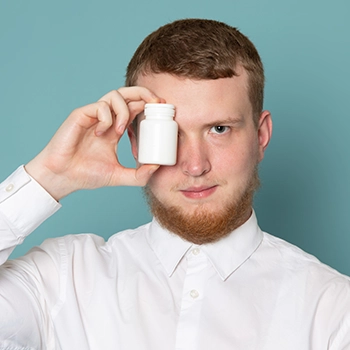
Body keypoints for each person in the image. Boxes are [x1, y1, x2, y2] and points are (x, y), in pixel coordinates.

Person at [0, 18, 350, 350]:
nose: (195, 165)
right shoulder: (62, 280)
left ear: (260, 136)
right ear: (135, 143)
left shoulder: (333, 310)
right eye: (168, 135)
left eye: (219, 129)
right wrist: (48, 177)